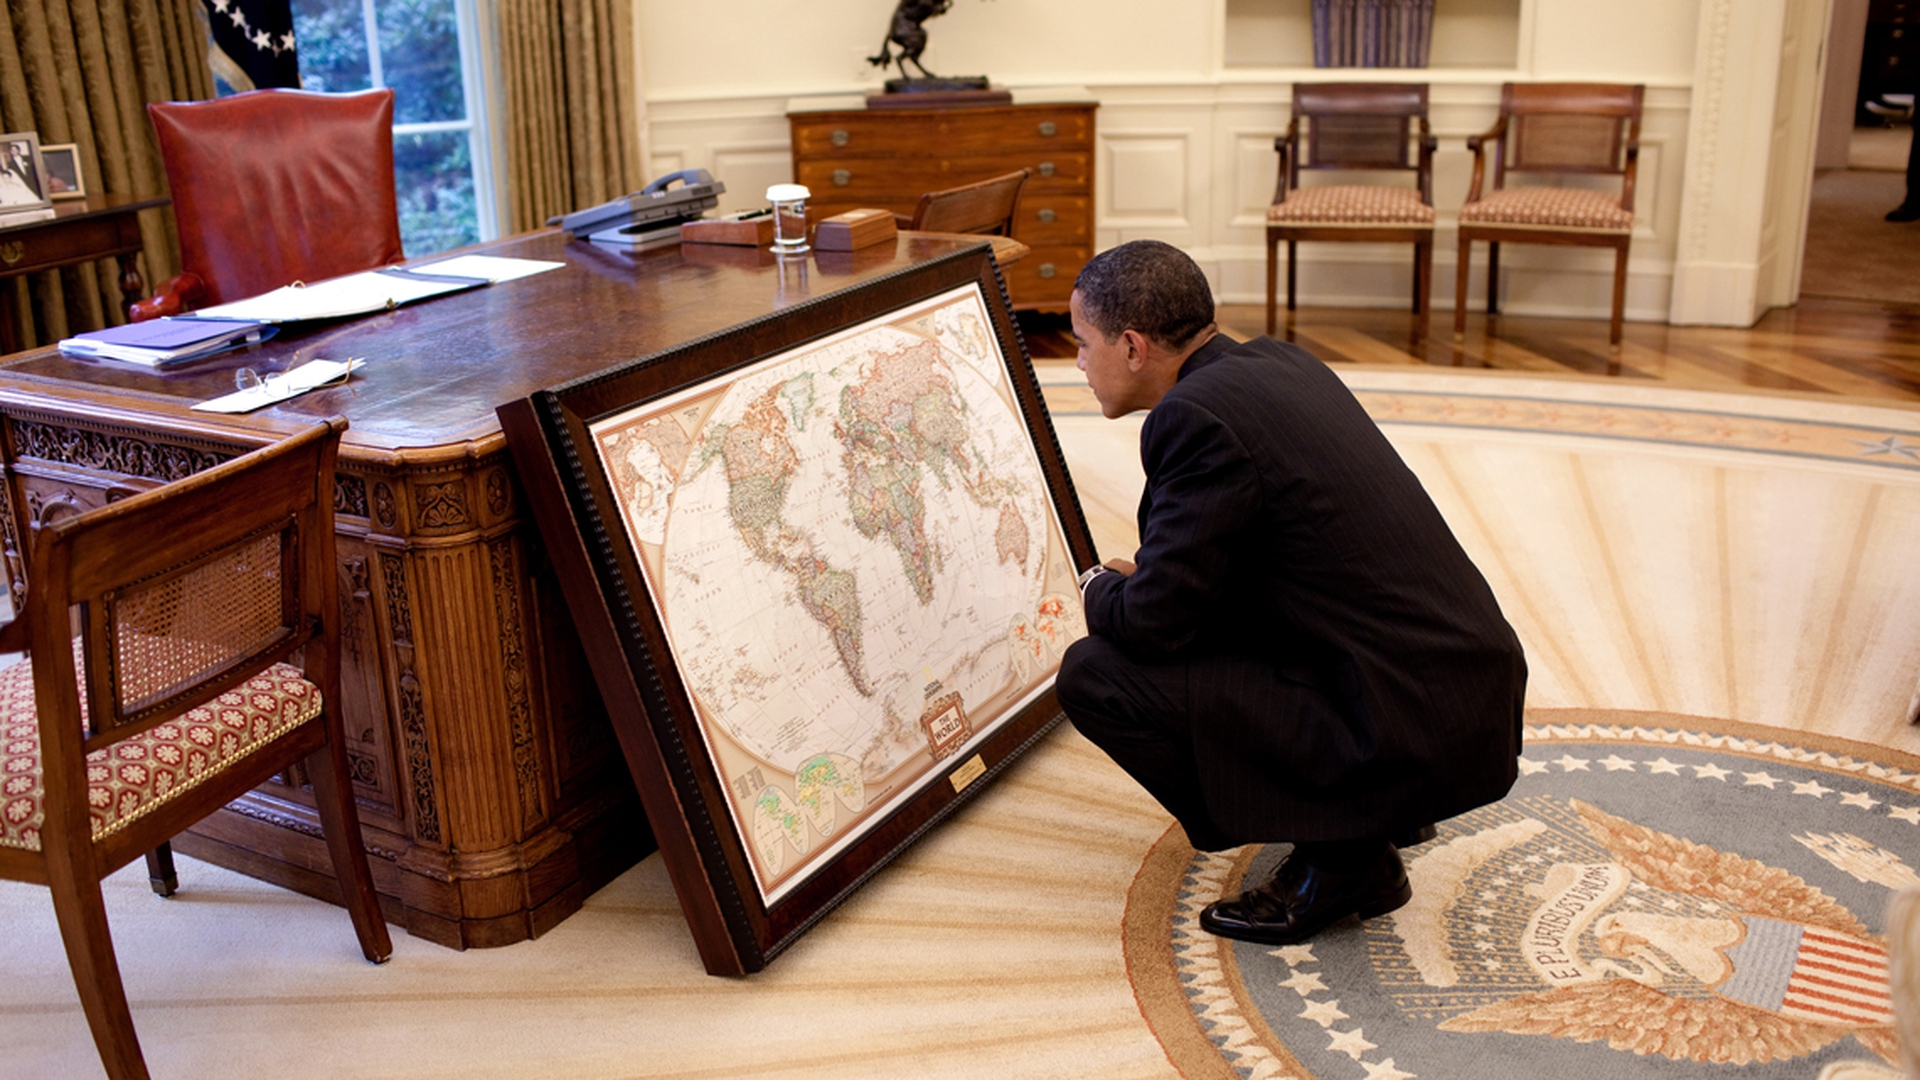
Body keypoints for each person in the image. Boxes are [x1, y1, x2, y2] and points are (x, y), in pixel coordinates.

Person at [1056, 240, 1527, 946]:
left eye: (1083, 343)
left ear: (1131, 346)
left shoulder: (1192, 421)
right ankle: (1375, 817)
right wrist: (1150, 584)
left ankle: (1345, 859)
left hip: (1410, 725)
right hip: (1460, 693)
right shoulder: (1275, 361)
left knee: (1097, 674)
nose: (1077, 362)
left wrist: (1097, 586)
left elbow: (1152, 626)